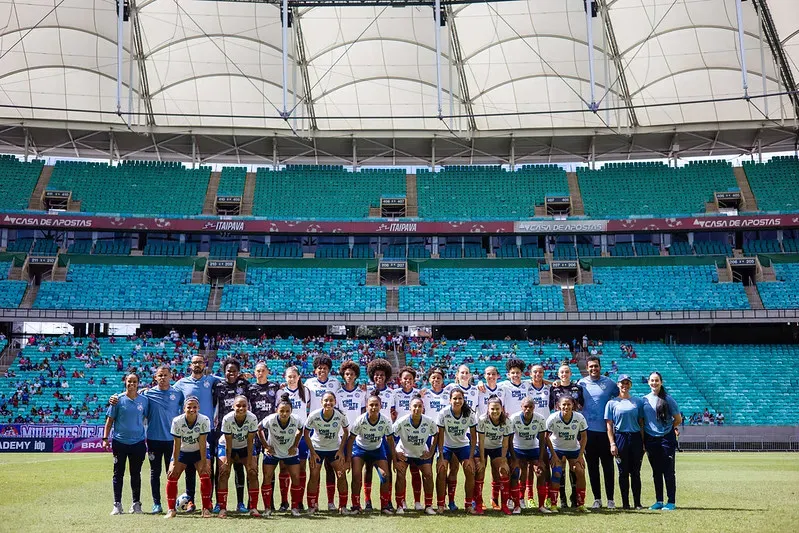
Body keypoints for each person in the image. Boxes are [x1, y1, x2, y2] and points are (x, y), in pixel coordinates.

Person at [173, 354, 221, 511]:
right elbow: (167, 392)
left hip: (209, 431)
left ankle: (209, 501)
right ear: (190, 365)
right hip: (189, 431)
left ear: (204, 364)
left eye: (200, 362)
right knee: (189, 468)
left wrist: (242, 376)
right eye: (194, 363)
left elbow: (229, 380)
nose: (197, 365)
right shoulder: (181, 383)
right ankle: (190, 501)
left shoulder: (211, 380)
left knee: (208, 466)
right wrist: (147, 390)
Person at [103, 373, 149, 516]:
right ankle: (117, 505)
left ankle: (136, 504)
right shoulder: (117, 400)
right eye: (129, 381)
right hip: (120, 442)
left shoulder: (144, 400)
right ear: (125, 382)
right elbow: (110, 421)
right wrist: (105, 438)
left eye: (135, 381)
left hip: (138, 442)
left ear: (138, 383)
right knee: (118, 474)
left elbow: (147, 417)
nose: (132, 384)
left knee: (136, 474)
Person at [578, 356, 619, 510]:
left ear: (600, 367)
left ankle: (610, 499)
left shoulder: (609, 383)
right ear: (587, 368)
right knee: (593, 467)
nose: (593, 369)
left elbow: (620, 395)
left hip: (605, 432)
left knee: (608, 466)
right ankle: (597, 499)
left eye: (596, 366)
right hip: (588, 432)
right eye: (591, 367)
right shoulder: (581, 383)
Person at [142, 366, 184, 514]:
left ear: (171, 376)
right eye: (160, 375)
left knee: (172, 472)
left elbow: (186, 410)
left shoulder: (178, 394)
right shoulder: (148, 394)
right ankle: (156, 504)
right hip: (154, 439)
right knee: (155, 472)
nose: (163, 378)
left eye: (165, 375)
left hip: (172, 440)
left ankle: (171, 504)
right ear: (155, 377)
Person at [348, 390, 397, 514]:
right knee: (356, 475)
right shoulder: (360, 420)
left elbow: (390, 440)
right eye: (371, 405)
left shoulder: (385, 421)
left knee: (385, 476)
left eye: (376, 405)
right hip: (360, 449)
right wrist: (348, 459)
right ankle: (356, 506)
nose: (374, 407)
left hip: (377, 449)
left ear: (381, 406)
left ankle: (385, 506)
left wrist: (395, 459)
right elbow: (351, 439)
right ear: (367, 406)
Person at [165, 396, 213, 519]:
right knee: (172, 475)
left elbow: (202, 443)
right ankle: (171, 509)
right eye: (189, 407)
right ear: (184, 408)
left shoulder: (204, 420)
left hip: (199, 450)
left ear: (199, 408)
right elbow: (176, 443)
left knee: (205, 473)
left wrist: (204, 462)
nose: (192, 410)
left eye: (195, 407)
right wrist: (174, 463)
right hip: (183, 450)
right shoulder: (177, 421)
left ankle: (206, 509)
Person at [212, 358, 250, 513]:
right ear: (224, 372)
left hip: (240, 432)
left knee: (239, 468)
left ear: (238, 372)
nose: (231, 373)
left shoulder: (243, 386)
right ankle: (218, 503)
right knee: (220, 468)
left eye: (234, 371)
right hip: (221, 432)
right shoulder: (218, 386)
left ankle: (240, 503)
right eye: (228, 370)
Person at [305, 355, 342, 511]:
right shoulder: (309, 383)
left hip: (333, 429)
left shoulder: (335, 383)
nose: (322, 370)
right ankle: (313, 504)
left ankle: (331, 502)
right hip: (315, 429)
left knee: (330, 468)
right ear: (315, 369)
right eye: (319, 368)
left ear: (329, 369)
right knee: (315, 470)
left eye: (325, 368)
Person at [304, 391, 351, 515]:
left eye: (331, 400)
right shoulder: (313, 415)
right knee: (314, 475)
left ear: (335, 402)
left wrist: (341, 450)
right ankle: (312, 506)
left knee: (341, 475)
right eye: (326, 400)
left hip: (334, 449)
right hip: (317, 449)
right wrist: (312, 452)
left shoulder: (340, 415)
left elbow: (346, 432)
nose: (328, 403)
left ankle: (343, 506)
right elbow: (306, 434)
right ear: (321, 402)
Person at [258, 393, 304, 517]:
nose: (284, 413)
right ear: (276, 410)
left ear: (291, 411)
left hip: (289, 453)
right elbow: (259, 429)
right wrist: (266, 446)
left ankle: (294, 508)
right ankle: (267, 508)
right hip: (273, 453)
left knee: (295, 477)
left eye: (287, 411)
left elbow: (301, 430)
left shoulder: (296, 419)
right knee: (267, 477)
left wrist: (295, 445)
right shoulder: (270, 419)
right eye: (281, 411)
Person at [393, 393, 438, 515]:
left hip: (421, 453)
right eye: (414, 406)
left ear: (423, 408)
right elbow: (390, 436)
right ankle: (399, 505)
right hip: (404, 453)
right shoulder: (402, 421)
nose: (417, 409)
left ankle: (428, 505)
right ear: (409, 407)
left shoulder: (429, 421)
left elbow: (437, 434)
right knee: (401, 475)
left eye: (419, 406)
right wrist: (396, 453)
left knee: (428, 475)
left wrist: (431, 451)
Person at [642, 372, 682, 511]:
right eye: (652, 380)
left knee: (668, 471)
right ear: (648, 382)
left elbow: (678, 419)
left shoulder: (668, 399)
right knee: (656, 471)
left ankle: (671, 501)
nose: (654, 383)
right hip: (650, 439)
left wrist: (667, 429)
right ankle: (659, 500)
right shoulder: (644, 400)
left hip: (666, 438)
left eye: (657, 380)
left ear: (661, 382)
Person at [604, 374, 645, 510]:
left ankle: (637, 503)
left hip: (635, 437)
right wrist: (612, 443)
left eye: (627, 383)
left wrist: (643, 442)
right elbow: (609, 425)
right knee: (623, 472)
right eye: (622, 383)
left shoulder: (637, 402)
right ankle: (625, 503)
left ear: (630, 385)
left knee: (636, 472)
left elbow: (641, 423)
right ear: (618, 384)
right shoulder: (612, 403)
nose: (624, 386)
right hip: (620, 437)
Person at [435, 388, 478, 514]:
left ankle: (468, 504)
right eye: (455, 398)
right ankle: (441, 505)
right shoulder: (443, 413)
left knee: (470, 470)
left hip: (463, 445)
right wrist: (441, 456)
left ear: (464, 400)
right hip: (447, 446)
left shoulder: (469, 413)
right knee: (442, 470)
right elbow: (440, 436)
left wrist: (470, 458)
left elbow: (474, 438)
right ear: (449, 400)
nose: (457, 401)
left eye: (460, 398)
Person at [217, 395, 260, 518]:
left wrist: (251, 459)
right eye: (238, 405)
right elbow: (228, 443)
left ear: (248, 406)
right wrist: (227, 462)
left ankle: (253, 507)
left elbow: (251, 440)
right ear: (232, 406)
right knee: (224, 472)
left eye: (244, 406)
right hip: (226, 446)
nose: (241, 408)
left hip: (245, 446)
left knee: (252, 472)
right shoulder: (227, 419)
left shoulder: (252, 418)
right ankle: (223, 508)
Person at [546, 395, 589, 513]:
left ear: (573, 405)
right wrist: (553, 456)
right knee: (557, 472)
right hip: (557, 449)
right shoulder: (553, 418)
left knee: (580, 471)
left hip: (573, 449)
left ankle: (581, 504)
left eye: (569, 404)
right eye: (563, 404)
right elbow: (546, 437)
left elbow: (584, 436)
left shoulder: (579, 417)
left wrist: (580, 456)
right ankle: (554, 504)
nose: (566, 407)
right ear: (558, 406)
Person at [549, 363, 584, 508]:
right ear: (558, 374)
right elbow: (551, 406)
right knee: (559, 468)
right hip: (558, 430)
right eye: (562, 372)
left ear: (570, 373)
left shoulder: (578, 387)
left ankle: (575, 499)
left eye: (567, 372)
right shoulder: (554, 387)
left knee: (576, 468)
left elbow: (581, 405)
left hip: (573, 429)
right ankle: (561, 499)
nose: (564, 374)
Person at [509, 397, 549, 514]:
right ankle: (518, 503)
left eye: (530, 407)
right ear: (521, 407)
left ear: (534, 408)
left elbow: (542, 440)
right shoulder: (514, 418)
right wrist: (514, 459)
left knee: (540, 472)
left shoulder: (540, 419)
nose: (528, 409)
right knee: (517, 473)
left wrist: (541, 460)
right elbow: (510, 440)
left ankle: (541, 505)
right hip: (518, 448)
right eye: (525, 407)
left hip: (533, 448)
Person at [279, 366, 310, 512]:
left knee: (301, 469)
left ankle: (298, 501)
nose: (291, 379)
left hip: (302, 436)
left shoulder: (306, 391)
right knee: (284, 468)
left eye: (294, 376)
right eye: (289, 377)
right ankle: (284, 501)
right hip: (285, 436)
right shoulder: (281, 392)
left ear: (298, 377)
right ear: (285, 378)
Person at [476, 395, 513, 515]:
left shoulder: (507, 421)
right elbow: (481, 441)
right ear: (488, 409)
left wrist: (503, 461)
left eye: (497, 408)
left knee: (503, 471)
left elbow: (505, 442)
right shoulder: (482, 419)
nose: (495, 411)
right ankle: (478, 502)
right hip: (483, 447)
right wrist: (482, 460)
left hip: (497, 447)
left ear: (502, 409)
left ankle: (501, 503)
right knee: (480, 470)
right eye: (492, 409)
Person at [364, 358, 394, 511]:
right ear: (372, 376)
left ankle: (387, 500)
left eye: (382, 375)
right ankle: (367, 500)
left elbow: (394, 413)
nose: (379, 377)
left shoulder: (392, 393)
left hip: (386, 434)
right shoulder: (366, 392)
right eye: (376, 375)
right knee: (368, 468)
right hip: (369, 434)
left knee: (387, 468)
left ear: (386, 376)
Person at [391, 366, 422, 510]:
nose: (407, 381)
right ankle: (401, 501)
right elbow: (392, 412)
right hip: (400, 436)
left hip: (416, 435)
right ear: (400, 380)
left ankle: (417, 502)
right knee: (401, 470)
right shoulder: (395, 393)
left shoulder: (419, 393)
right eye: (405, 378)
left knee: (416, 469)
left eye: (410, 378)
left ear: (414, 380)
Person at [336, 360, 367, 428]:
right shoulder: (338, 393)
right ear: (343, 375)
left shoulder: (361, 392)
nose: (349, 376)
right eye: (347, 374)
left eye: (352, 374)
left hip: (356, 430)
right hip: (342, 430)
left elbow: (363, 410)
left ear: (355, 376)